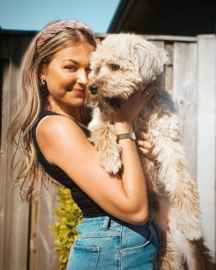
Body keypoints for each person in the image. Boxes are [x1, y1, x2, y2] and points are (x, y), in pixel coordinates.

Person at [7, 20, 159, 269]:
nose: (84, 79)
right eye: (70, 67)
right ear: (41, 71)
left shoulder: (90, 120)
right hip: (112, 249)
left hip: (125, 247)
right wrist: (123, 124)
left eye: (90, 68)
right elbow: (135, 210)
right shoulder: (56, 128)